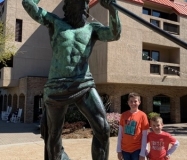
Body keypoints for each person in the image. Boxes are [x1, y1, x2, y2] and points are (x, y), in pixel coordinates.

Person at [22, 0, 121, 159]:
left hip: (84, 84)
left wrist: (113, 10)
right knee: (54, 137)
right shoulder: (55, 22)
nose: (82, 7)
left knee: (103, 129)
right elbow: (28, 4)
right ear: (67, 6)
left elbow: (114, 34)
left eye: (85, 4)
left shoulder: (92, 28)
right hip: (57, 87)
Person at [117, 92, 149, 160]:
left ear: (139, 102)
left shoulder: (143, 115)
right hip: (124, 150)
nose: (133, 103)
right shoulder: (123, 115)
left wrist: (143, 153)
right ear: (128, 102)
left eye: (135, 101)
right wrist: (119, 150)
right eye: (131, 101)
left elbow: (144, 135)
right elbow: (120, 134)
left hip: (137, 150)